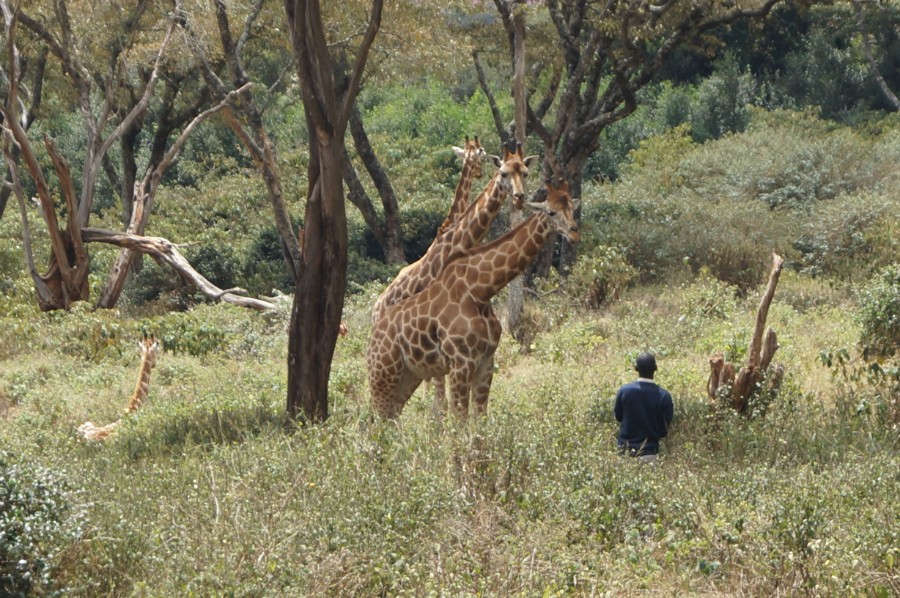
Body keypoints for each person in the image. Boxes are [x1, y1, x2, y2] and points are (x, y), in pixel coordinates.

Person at [614, 352, 674, 462]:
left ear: (636, 369)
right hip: (650, 454)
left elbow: (619, 417)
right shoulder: (663, 396)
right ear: (655, 368)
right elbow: (664, 430)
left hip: (625, 452)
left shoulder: (624, 391)